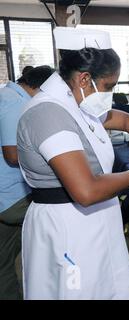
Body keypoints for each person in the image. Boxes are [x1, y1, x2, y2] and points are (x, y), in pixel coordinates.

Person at [16, 27, 129, 300]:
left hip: (96, 221)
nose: (110, 94)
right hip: (66, 227)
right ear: (84, 78)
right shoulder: (48, 114)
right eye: (109, 87)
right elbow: (87, 190)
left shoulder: (76, 102)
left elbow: (124, 119)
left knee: (110, 287)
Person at [0, 65, 53, 300]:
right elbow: (12, 155)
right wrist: (53, 153)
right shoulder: (17, 104)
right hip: (11, 196)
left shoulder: (8, 95)